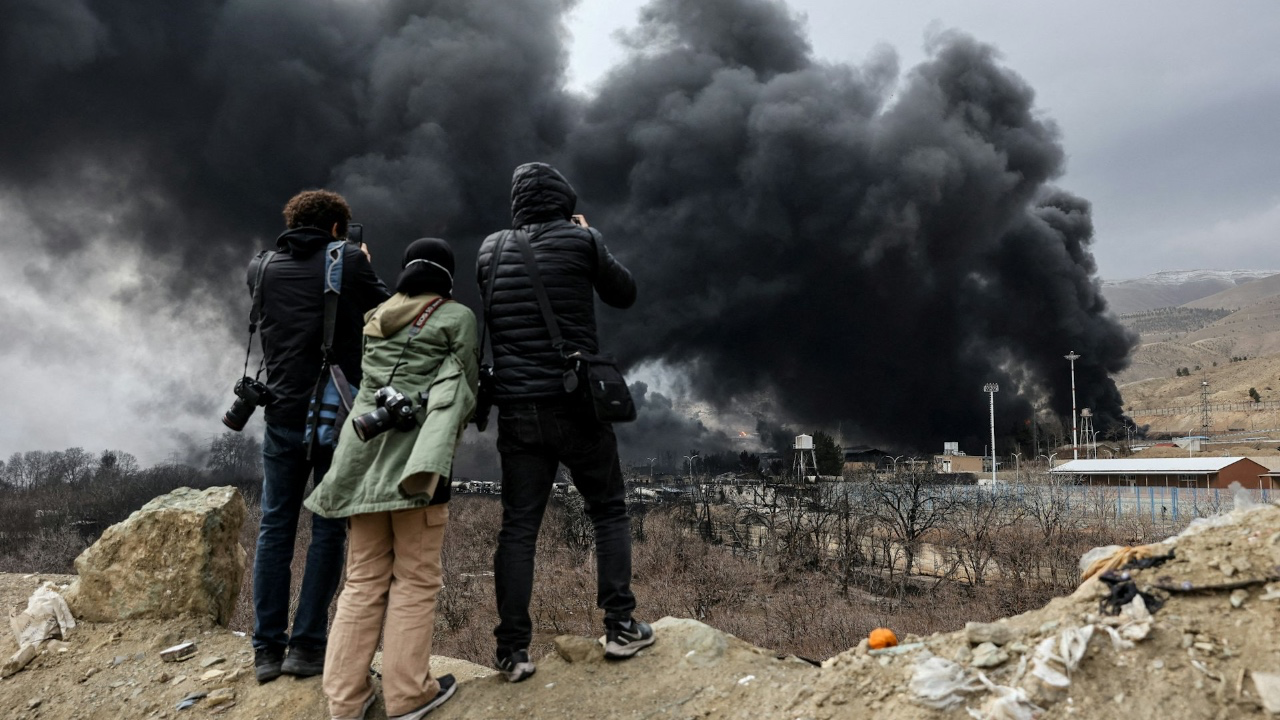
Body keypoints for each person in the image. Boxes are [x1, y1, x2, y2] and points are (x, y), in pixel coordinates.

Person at [476, 161, 653, 683]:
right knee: (608, 510)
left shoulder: (490, 249)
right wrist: (589, 238)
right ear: (562, 200)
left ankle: (512, 652)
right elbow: (625, 292)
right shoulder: (583, 240)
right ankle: (620, 626)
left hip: (518, 411)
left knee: (519, 529)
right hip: (577, 403)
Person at [305, 237, 477, 720]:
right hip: (416, 472)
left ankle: (345, 700)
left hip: (360, 463)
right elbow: (464, 390)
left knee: (361, 580)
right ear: (445, 277)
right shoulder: (456, 316)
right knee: (416, 579)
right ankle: (407, 694)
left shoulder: (375, 320)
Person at [250, 190, 390, 683]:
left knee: (275, 529)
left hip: (281, 415)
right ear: (336, 227)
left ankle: (266, 651)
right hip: (334, 415)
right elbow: (393, 313)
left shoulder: (261, 266)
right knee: (328, 528)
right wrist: (360, 264)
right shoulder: (348, 261)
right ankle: (307, 648)